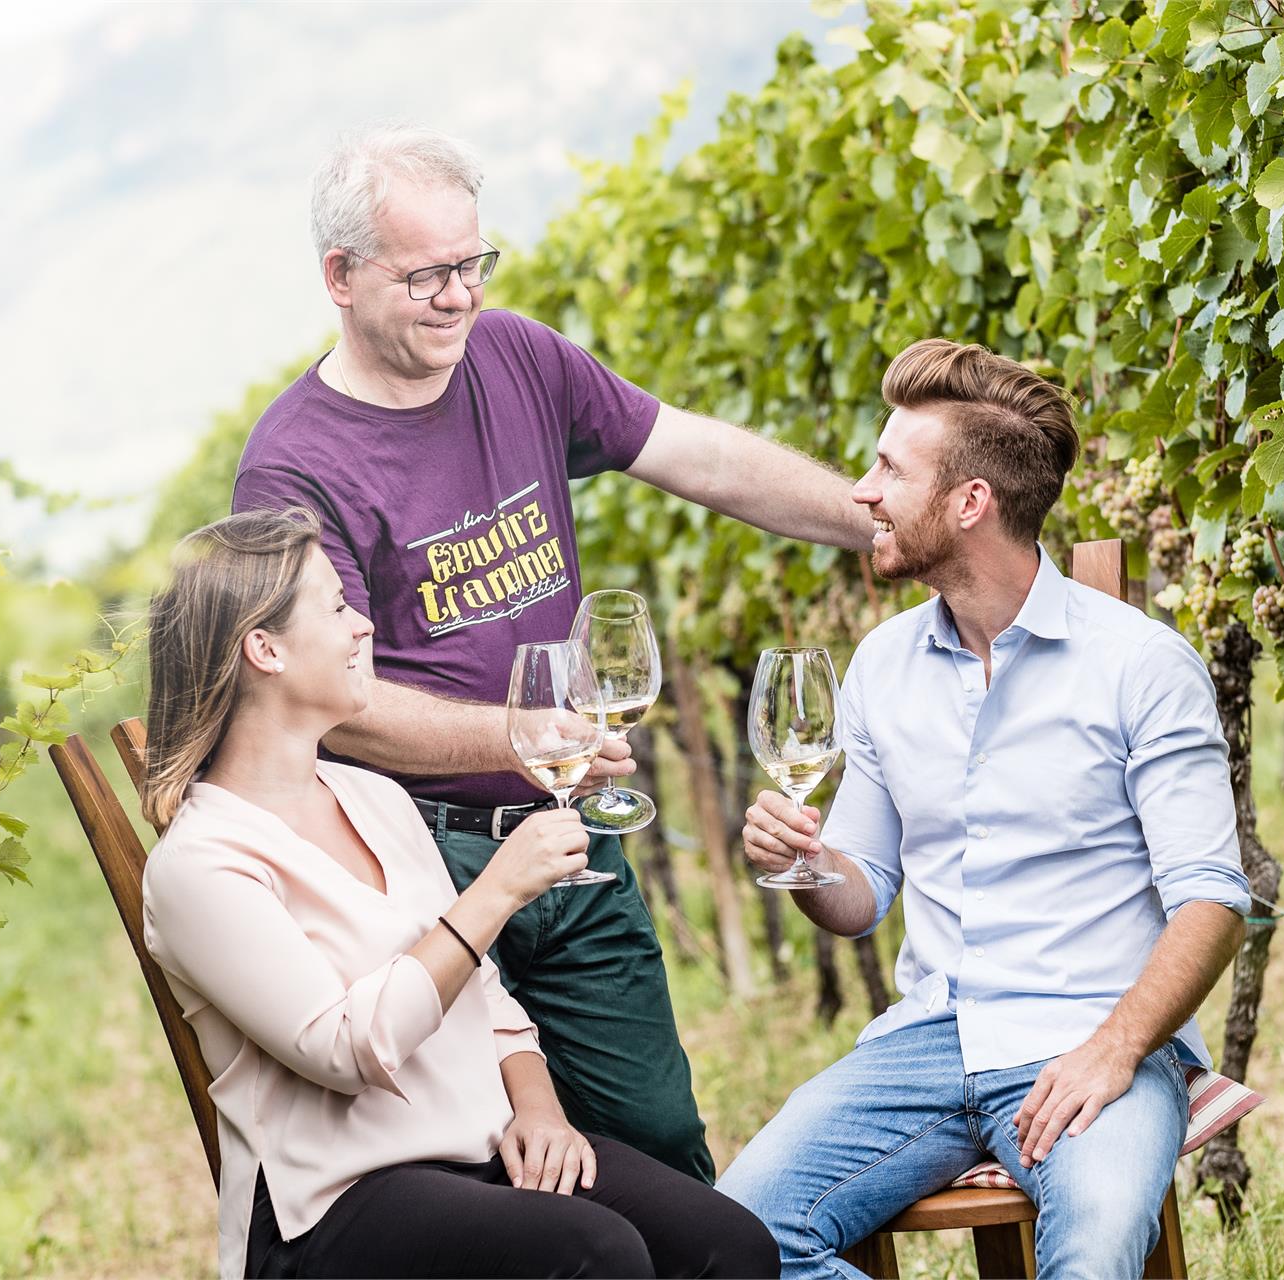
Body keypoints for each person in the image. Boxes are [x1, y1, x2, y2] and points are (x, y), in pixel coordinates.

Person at [232, 122, 872, 1183]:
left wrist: (870, 518)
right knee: (486, 1172)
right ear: (340, 276)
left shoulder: (518, 357)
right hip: (414, 862)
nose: (459, 296)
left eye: (473, 264)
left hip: (571, 835)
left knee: (660, 1142)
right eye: (428, 273)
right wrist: (523, 733)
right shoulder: (293, 465)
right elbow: (332, 703)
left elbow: (696, 453)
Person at [716, 339, 1252, 1278]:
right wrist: (802, 862)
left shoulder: (1141, 665)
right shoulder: (882, 664)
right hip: (928, 1040)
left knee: (1086, 1262)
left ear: (971, 504)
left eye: (890, 468)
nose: (863, 491)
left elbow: (1213, 902)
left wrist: (1113, 1051)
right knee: (735, 1239)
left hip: (1095, 1038)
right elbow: (861, 896)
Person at [137, 508, 777, 1280]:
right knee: (598, 1258)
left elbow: (487, 997)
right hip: (336, 1205)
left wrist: (539, 1111)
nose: (361, 626)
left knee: (731, 1247)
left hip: (479, 1148)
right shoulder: (200, 864)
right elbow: (344, 1050)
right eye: (337, 606)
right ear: (264, 649)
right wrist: (498, 890)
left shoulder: (371, 796)